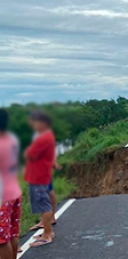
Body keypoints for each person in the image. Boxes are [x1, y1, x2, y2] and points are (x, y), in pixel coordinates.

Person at [25, 111, 56, 248]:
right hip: (41, 174)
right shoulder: (46, 136)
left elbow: (30, 154)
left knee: (44, 205)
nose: (32, 123)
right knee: (45, 203)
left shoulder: (43, 138)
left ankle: (47, 234)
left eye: (34, 121)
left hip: (39, 176)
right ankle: (48, 231)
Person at [0, 109, 22, 259]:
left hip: (3, 197)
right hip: (15, 191)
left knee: (1, 241)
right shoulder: (12, 139)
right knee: (12, 233)